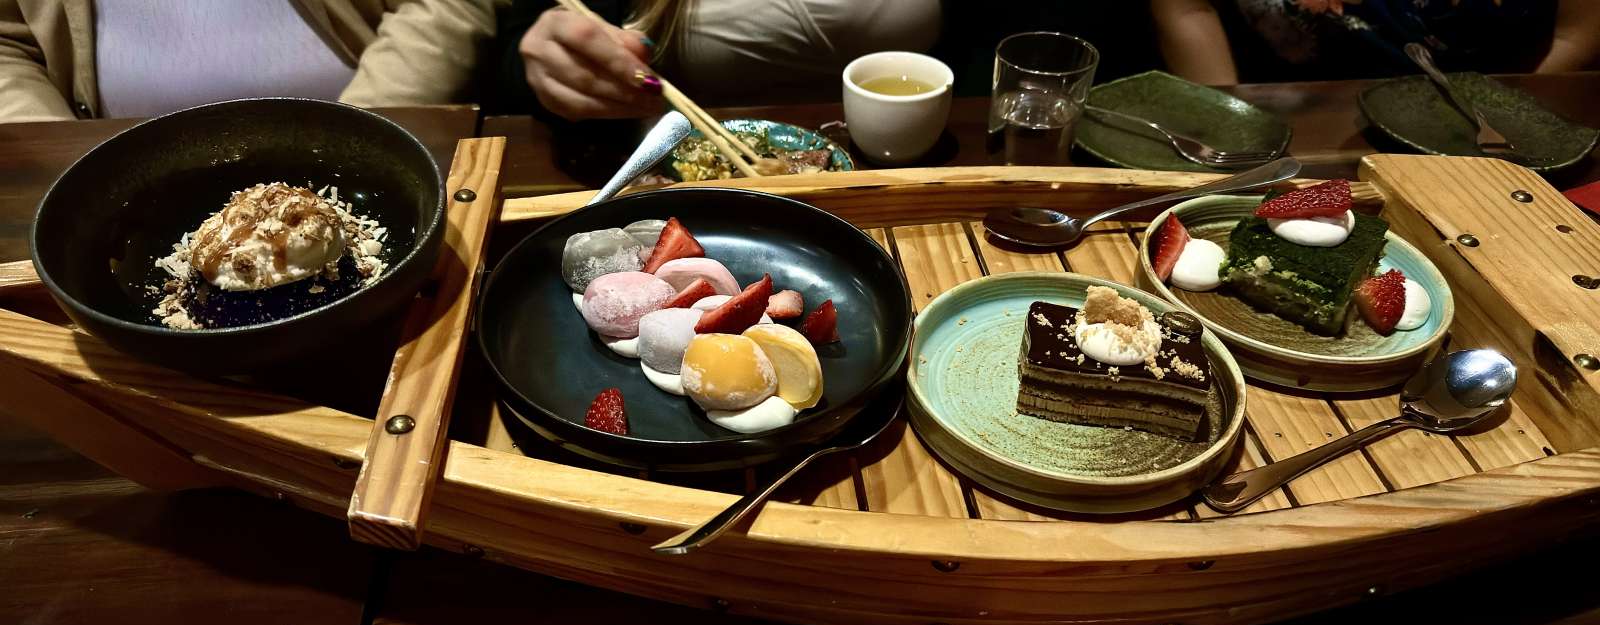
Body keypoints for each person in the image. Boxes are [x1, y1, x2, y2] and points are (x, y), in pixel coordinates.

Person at [493, 1, 1161, 121]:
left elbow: (1051, 48)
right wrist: (550, 62)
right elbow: (531, 33)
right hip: (680, 177)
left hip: (915, 175)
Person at [0, 0, 504, 124]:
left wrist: (359, 132)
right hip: (109, 166)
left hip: (363, 132)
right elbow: (8, 43)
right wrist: (64, 162)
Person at [1151, 0, 1600, 85]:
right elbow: (1188, 9)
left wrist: (1508, 115)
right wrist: (1224, 120)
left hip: (1488, 103)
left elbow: (1574, 31)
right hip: (1289, 112)